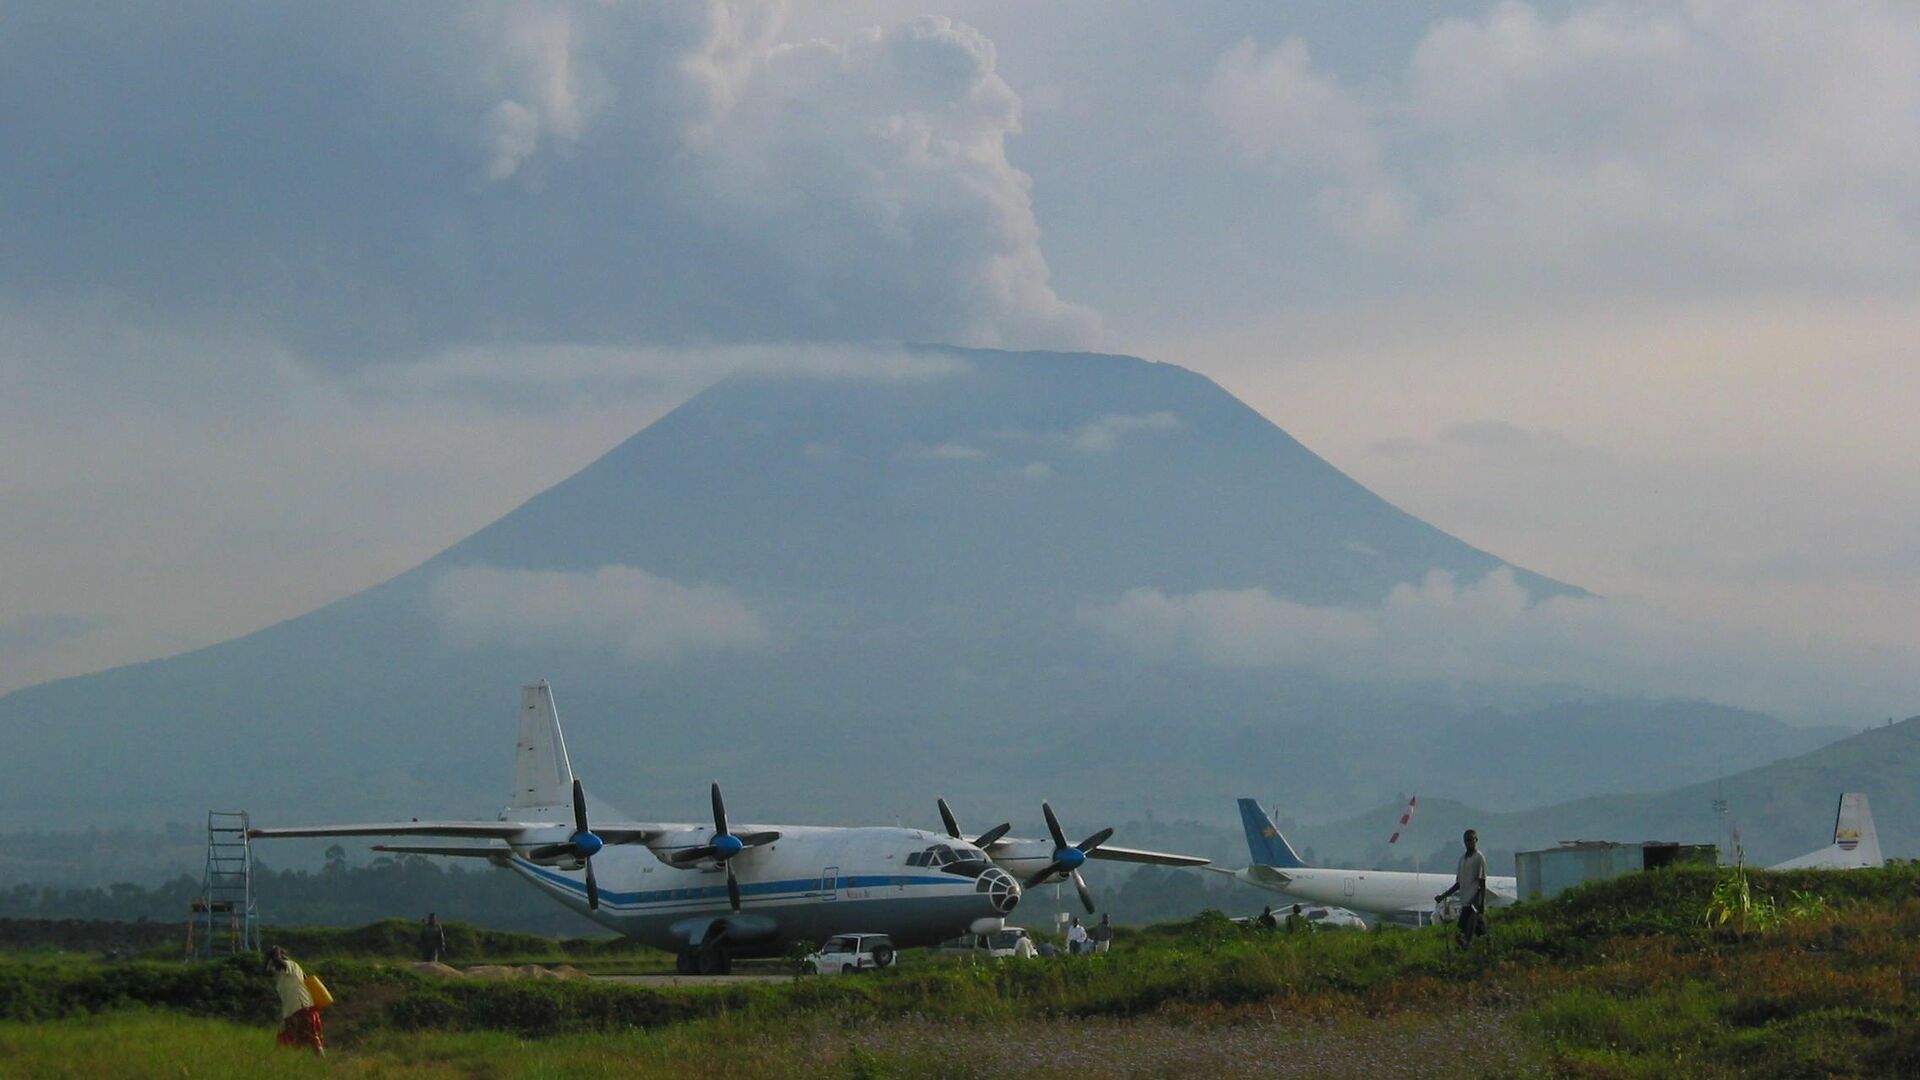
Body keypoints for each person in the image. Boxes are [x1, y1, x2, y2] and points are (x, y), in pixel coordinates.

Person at [1435, 828, 1490, 949]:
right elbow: (1458, 884)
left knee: (1462, 934)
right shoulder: (1462, 860)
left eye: (1471, 840)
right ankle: (1489, 951)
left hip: (1473, 904)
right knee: (1482, 933)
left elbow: (1482, 882)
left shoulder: (1479, 858)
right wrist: (1443, 896)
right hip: (1465, 902)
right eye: (1467, 840)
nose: (1469, 843)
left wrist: (1480, 902)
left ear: (1476, 840)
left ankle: (1467, 953)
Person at [265, 946, 324, 1055]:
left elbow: (278, 961)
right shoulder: (280, 973)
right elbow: (266, 970)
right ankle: (292, 1063)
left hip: (302, 1007)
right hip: (291, 1011)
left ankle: (322, 1061)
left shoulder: (290, 964)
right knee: (288, 1040)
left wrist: (276, 950)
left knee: (311, 1037)